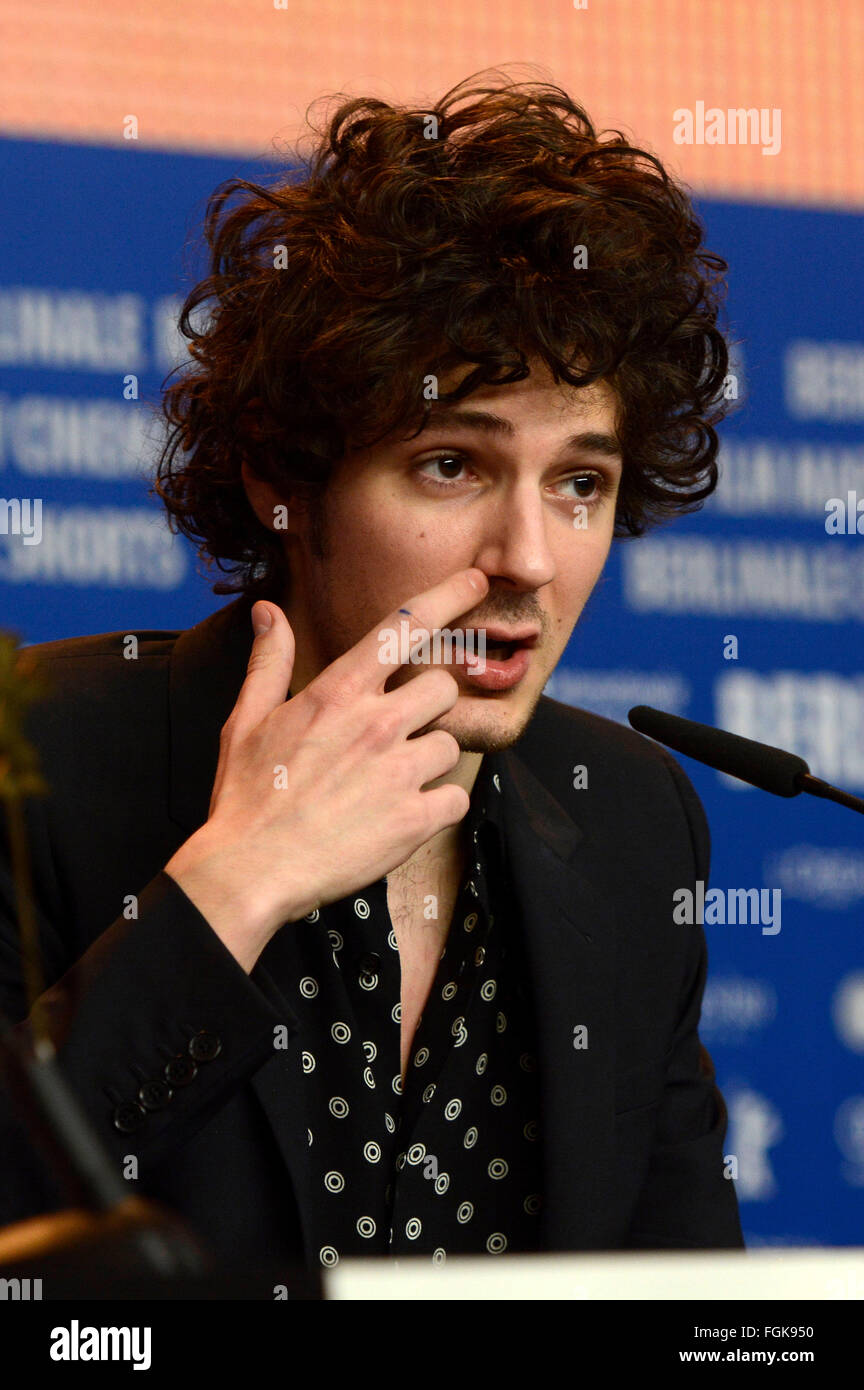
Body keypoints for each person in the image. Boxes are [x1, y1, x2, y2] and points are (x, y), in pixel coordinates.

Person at [0, 72, 743, 1277]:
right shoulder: (40, 764)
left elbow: (692, 1294)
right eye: (452, 465)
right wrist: (233, 885)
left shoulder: (634, 823)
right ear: (282, 481)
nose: (527, 562)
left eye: (580, 483)